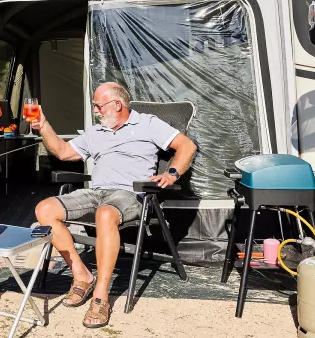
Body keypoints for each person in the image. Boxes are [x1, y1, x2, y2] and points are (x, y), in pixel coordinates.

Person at [28, 82, 196, 328]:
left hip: (131, 194)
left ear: (117, 104)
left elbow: (187, 146)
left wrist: (171, 173)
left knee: (105, 213)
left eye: (98, 105)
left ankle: (101, 295)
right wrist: (43, 125)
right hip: (96, 192)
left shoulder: (148, 123)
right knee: (44, 209)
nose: (95, 110)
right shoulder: (96, 132)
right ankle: (82, 275)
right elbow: (62, 152)